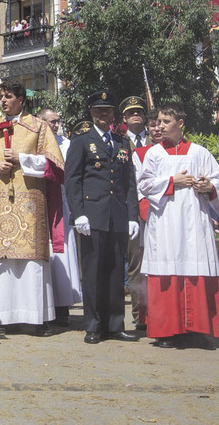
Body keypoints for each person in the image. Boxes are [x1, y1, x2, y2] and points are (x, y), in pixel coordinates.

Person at [0, 82, 65, 337]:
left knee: (31, 262)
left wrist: (22, 159)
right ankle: (3, 317)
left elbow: (53, 166)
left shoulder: (38, 128)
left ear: (21, 99)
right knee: (3, 261)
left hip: (30, 203)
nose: (3, 100)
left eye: (8, 96)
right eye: (1, 96)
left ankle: (35, 318)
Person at [137, 104, 219, 349]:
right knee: (166, 270)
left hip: (193, 221)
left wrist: (208, 187)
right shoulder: (155, 154)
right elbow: (144, 185)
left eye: (166, 121)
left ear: (180, 122)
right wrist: (171, 181)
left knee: (194, 265)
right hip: (165, 220)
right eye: (158, 121)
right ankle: (166, 330)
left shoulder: (199, 152)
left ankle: (196, 329)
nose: (160, 125)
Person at [65, 91, 140, 344]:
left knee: (116, 271)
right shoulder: (82, 141)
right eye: (98, 111)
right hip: (92, 216)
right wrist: (79, 214)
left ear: (113, 114)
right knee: (94, 272)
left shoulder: (121, 142)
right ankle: (94, 326)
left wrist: (132, 216)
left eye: (107, 111)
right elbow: (73, 180)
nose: (103, 115)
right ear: (91, 113)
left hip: (117, 215)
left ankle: (115, 324)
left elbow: (129, 182)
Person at [39, 107, 81, 328]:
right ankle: (43, 305)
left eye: (57, 122)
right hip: (36, 202)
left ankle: (62, 306)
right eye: (51, 121)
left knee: (61, 253)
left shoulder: (66, 144)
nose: (55, 125)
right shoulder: (34, 141)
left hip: (60, 203)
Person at [121, 97, 153, 331]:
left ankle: (157, 311)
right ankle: (138, 313)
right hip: (128, 208)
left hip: (156, 207)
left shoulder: (156, 141)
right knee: (136, 262)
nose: (136, 116)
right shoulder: (119, 142)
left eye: (139, 112)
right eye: (131, 113)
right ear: (123, 118)